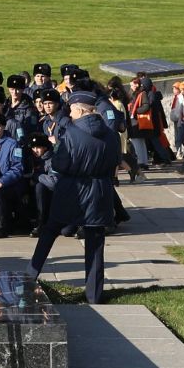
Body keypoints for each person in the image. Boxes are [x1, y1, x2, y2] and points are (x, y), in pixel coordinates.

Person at [29, 91, 122, 303]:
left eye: (71, 109)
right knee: (95, 244)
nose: (69, 114)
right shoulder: (110, 134)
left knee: (49, 232)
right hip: (100, 190)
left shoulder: (70, 133)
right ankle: (94, 294)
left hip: (72, 189)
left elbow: (60, 164)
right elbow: (115, 160)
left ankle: (29, 277)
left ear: (79, 109)